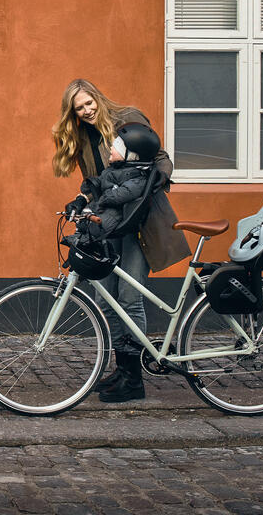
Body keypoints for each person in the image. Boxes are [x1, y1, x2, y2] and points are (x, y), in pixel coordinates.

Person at [53, 79, 189, 403]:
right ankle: (122, 368)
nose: (86, 111)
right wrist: (80, 200)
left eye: (89, 103)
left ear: (97, 98)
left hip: (139, 223)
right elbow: (97, 183)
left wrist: (149, 185)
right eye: (79, 108)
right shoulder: (85, 138)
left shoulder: (127, 120)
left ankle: (134, 378)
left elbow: (160, 158)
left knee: (129, 297)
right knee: (106, 301)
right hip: (112, 226)